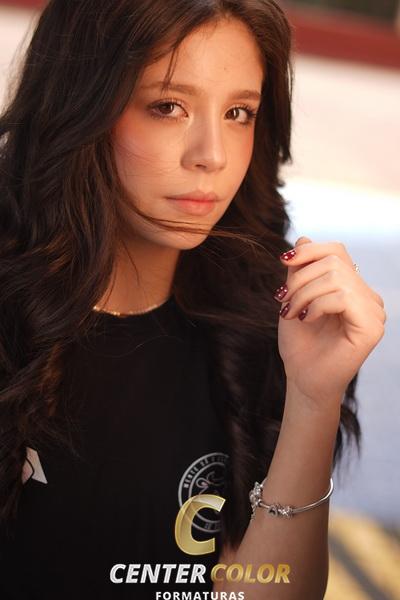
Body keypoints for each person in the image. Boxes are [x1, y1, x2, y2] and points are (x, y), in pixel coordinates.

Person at [0, 1, 386, 599]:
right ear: (80, 106)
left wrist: (314, 400)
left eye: (238, 113)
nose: (212, 154)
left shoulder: (261, 335)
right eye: (168, 107)